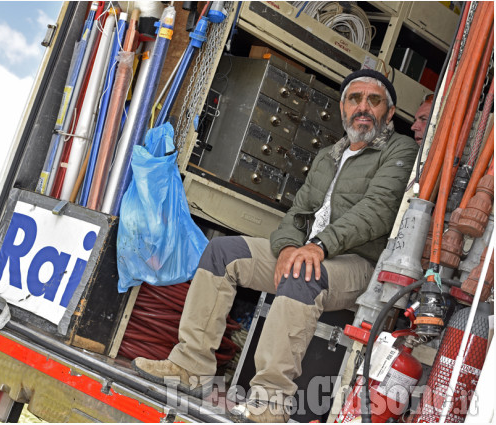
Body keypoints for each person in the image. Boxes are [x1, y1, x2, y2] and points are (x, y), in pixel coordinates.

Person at [131, 69, 419, 422]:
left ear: (389, 113)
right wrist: (286, 248)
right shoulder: (329, 154)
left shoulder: (401, 149)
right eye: (354, 99)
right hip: (311, 252)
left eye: (373, 101)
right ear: (343, 108)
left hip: (358, 263)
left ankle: (269, 404)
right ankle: (191, 367)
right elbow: (298, 212)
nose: (363, 107)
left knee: (302, 274)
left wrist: (318, 247)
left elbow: (378, 210)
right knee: (223, 254)